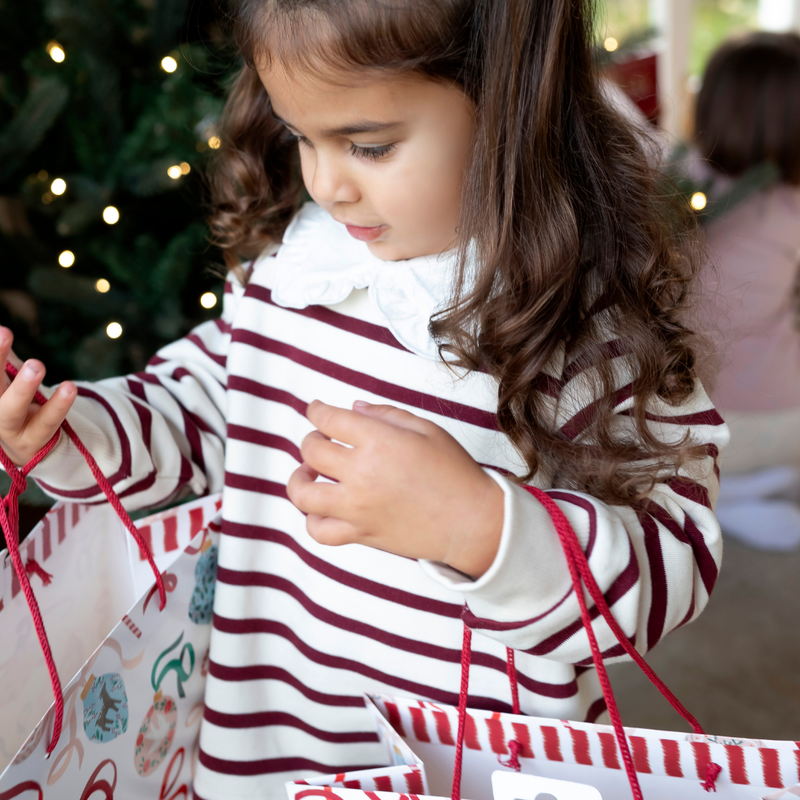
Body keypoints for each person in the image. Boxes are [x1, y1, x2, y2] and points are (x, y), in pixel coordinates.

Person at [0, 1, 727, 797]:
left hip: (469, 772)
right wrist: (69, 430)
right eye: (301, 136)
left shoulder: (581, 329)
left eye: (369, 145)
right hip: (267, 752)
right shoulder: (292, 272)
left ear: (512, 105)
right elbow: (198, 409)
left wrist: (479, 528)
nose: (326, 183)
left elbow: (673, 565)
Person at [694, 32, 800, 551]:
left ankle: (723, 487)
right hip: (772, 421)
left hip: (679, 422)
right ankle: (732, 492)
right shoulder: (791, 210)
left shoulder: (674, 188)